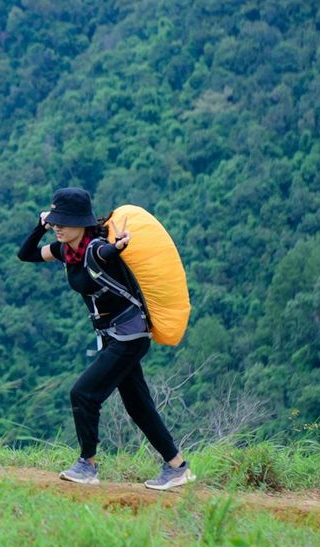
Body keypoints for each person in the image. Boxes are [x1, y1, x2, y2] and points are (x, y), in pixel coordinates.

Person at [16, 187, 193, 490]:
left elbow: (107, 253)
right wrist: (40, 226)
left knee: (83, 394)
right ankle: (177, 467)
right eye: (55, 220)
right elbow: (26, 254)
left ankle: (88, 465)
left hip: (129, 337)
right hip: (115, 336)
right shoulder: (65, 251)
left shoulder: (95, 248)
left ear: (81, 223)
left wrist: (121, 245)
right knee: (138, 405)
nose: (57, 226)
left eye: (63, 221)